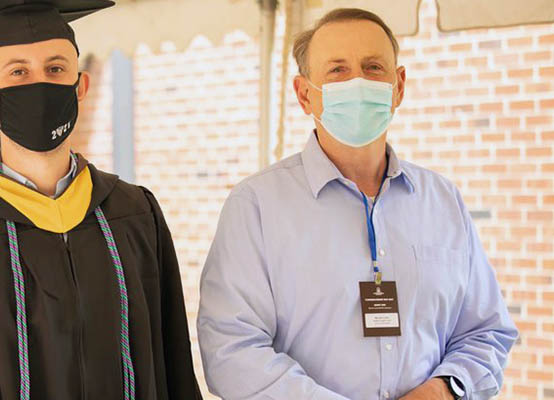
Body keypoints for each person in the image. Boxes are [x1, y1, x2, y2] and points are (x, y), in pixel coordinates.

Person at [0, 1, 202, 398]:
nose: (38, 84)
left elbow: (175, 367)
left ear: (80, 87)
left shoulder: (134, 215)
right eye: (18, 72)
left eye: (55, 69)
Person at [197, 8, 518, 400]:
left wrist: (444, 390)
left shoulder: (443, 200)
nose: (359, 83)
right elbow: (231, 353)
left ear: (399, 86)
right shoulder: (256, 207)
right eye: (337, 71)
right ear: (304, 95)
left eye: (373, 67)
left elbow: (487, 332)